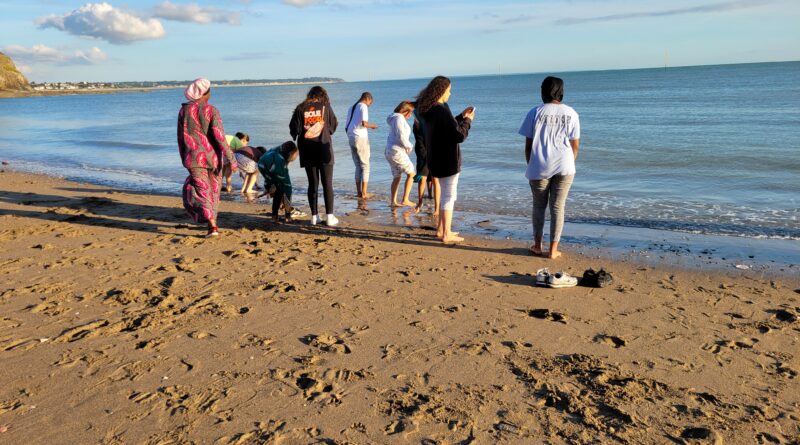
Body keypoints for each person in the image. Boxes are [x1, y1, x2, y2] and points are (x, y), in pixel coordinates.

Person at [518, 76, 580, 259]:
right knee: (557, 207)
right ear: (561, 92)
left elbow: (528, 145)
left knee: (539, 206)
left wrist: (531, 163)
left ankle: (538, 245)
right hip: (565, 164)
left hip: (539, 165)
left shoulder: (534, 112)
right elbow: (575, 144)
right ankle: (553, 250)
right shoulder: (571, 113)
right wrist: (571, 161)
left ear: (543, 91)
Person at [177, 78, 237, 237]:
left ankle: (212, 225)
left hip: (193, 157)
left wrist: (184, 156)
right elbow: (219, 136)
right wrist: (231, 157)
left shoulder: (184, 111)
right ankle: (213, 225)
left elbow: (180, 138)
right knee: (213, 191)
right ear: (205, 93)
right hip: (213, 158)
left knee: (203, 191)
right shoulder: (212, 110)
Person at [417, 76, 474, 244]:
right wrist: (468, 122)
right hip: (448, 160)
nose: (450, 92)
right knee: (449, 196)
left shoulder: (429, 109)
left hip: (435, 159)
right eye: (449, 89)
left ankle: (442, 229)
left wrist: (461, 116)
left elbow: (447, 127)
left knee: (444, 195)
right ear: (441, 90)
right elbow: (458, 135)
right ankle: (445, 233)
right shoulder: (440, 109)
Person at [290, 86, 339, 226]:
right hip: (324, 149)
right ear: (323, 95)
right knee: (327, 183)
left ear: (310, 95)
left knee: (313, 184)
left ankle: (314, 216)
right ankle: (330, 217)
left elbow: (294, 130)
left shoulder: (300, 108)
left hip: (307, 150)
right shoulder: (326, 106)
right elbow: (333, 126)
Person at [345, 92, 378, 199]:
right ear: (367, 99)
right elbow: (364, 123)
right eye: (370, 104)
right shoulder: (363, 106)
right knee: (365, 165)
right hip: (360, 137)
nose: (369, 106)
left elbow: (346, 126)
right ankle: (364, 193)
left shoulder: (351, 107)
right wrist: (373, 126)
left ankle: (359, 192)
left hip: (351, 136)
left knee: (358, 166)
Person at [385, 101, 417, 208]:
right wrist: (409, 146)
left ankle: (393, 201)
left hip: (390, 150)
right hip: (396, 151)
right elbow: (401, 136)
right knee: (412, 174)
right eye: (411, 112)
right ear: (406, 111)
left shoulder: (394, 118)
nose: (411, 115)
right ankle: (405, 200)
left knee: (397, 176)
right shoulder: (399, 118)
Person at [257, 141, 299, 222]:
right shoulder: (281, 160)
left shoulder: (279, 149)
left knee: (278, 189)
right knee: (287, 189)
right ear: (291, 153)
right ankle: (287, 216)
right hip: (272, 166)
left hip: (262, 164)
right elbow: (286, 183)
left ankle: (274, 216)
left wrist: (268, 186)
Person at [412, 108, 436, 212]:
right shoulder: (420, 123)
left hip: (426, 151)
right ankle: (422, 201)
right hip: (424, 152)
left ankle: (429, 197)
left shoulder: (420, 123)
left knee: (430, 177)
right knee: (425, 177)